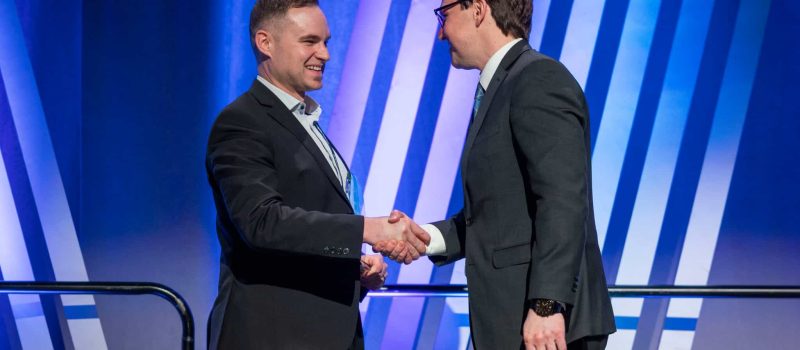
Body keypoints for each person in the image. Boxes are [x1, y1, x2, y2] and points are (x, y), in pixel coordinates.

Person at [377, 0, 616, 348]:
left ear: (477, 10)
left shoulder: (538, 78)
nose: (440, 33)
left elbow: (562, 200)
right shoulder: (501, 87)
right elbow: (497, 216)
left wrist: (547, 305)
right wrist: (426, 238)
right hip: (514, 321)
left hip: (546, 326)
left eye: (444, 15)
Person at [205, 1, 429, 349]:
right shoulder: (242, 122)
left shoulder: (304, 122)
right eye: (309, 41)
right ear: (265, 42)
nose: (323, 54)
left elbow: (304, 232)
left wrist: (351, 268)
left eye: (326, 42)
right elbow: (261, 223)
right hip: (273, 337)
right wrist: (367, 229)